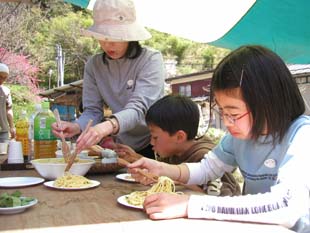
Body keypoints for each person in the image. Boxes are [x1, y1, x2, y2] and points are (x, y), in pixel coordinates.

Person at [127, 45, 310, 232]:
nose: (227, 122)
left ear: (267, 103)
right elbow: (208, 169)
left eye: (233, 113)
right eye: (222, 111)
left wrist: (192, 205)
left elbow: (286, 206)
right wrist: (162, 169)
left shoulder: (302, 137)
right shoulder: (240, 136)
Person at [52, 0, 165, 159]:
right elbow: (92, 110)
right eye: (102, 36)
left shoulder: (150, 59)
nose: (108, 44)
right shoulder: (94, 65)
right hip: (121, 144)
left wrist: (107, 126)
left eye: (115, 37)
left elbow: (139, 108)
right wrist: (77, 126)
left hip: (154, 143)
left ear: (129, 35)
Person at [115, 94, 241, 196]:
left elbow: (219, 199)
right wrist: (136, 158)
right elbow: (162, 170)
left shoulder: (206, 157)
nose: (151, 142)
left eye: (155, 137)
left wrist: (171, 178)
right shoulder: (173, 152)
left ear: (179, 137)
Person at [0, 63, 15, 142]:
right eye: (0, 77)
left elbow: (8, 110)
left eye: (4, 78)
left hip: (4, 130)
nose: (2, 80)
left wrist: (12, 127)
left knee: (4, 152)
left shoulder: (6, 91)